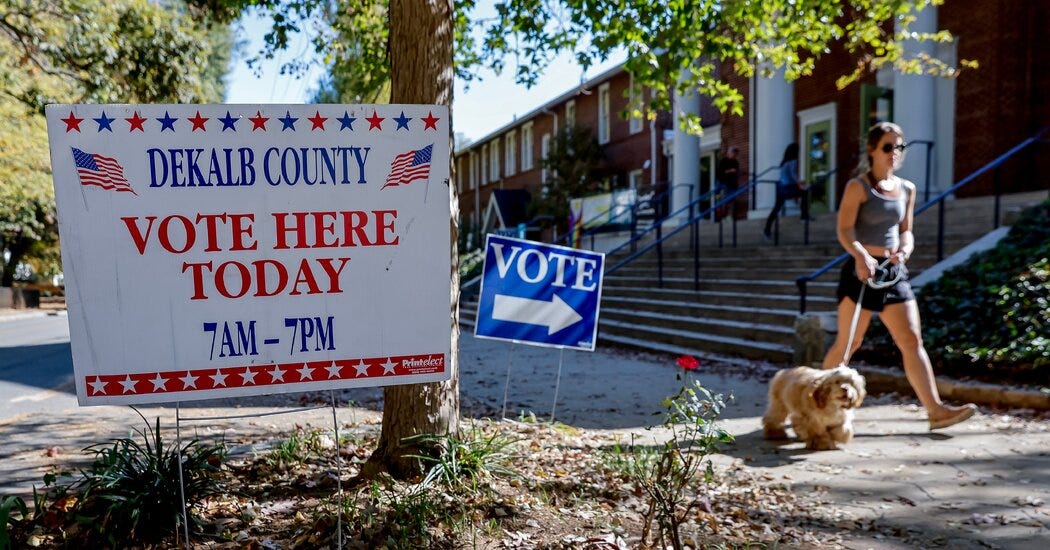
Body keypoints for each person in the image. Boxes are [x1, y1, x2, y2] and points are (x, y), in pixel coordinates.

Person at [822, 121, 977, 430]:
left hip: (894, 273)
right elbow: (844, 230)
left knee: (911, 339)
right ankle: (820, 406)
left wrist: (905, 249)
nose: (895, 153)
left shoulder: (907, 188)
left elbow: (906, 231)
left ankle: (935, 411)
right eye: (888, 147)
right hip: (861, 271)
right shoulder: (858, 186)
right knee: (849, 343)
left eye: (899, 147)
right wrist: (861, 255)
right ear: (872, 150)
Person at [763, 143, 809, 238]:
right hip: (788, 187)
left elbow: (786, 175)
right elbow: (792, 174)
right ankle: (804, 215)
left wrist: (798, 182)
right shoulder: (793, 161)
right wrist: (800, 182)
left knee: (776, 208)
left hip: (780, 188)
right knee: (804, 192)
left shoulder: (784, 162)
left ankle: (767, 229)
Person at [715, 146, 740, 220]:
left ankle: (728, 216)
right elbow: (721, 172)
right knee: (720, 197)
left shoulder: (735, 162)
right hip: (722, 183)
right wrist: (730, 171)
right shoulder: (724, 161)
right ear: (729, 153)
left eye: (736, 153)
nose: (734, 154)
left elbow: (736, 172)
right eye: (733, 152)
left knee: (731, 199)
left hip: (731, 184)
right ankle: (720, 213)